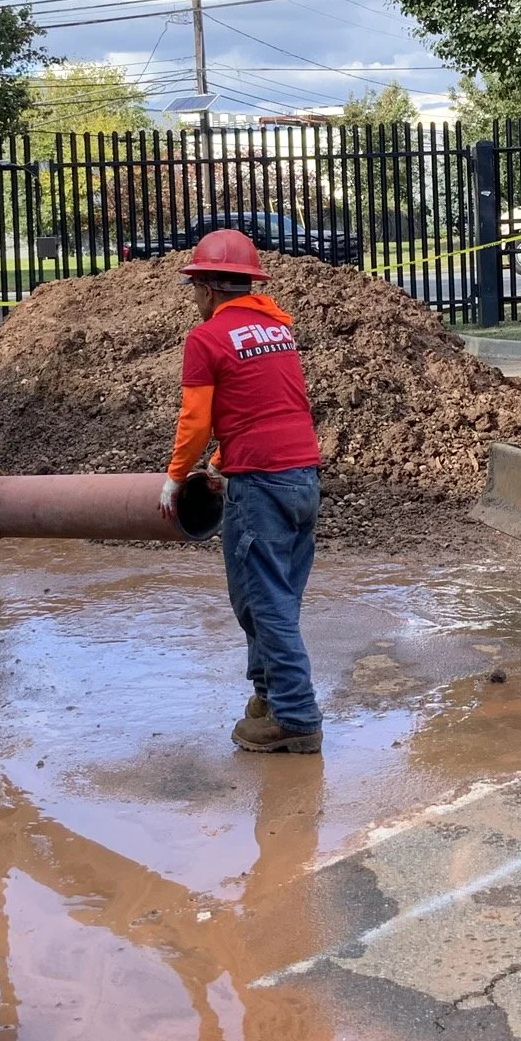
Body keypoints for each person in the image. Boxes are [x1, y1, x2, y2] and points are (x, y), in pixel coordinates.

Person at [160, 228, 325, 754]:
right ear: (248, 284)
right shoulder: (277, 329)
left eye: (196, 289)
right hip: (301, 476)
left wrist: (175, 476)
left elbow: (195, 419)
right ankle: (269, 696)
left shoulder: (205, 338)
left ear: (207, 289)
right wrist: (221, 462)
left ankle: (296, 718)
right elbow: (269, 406)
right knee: (271, 595)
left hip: (261, 485)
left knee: (264, 600)